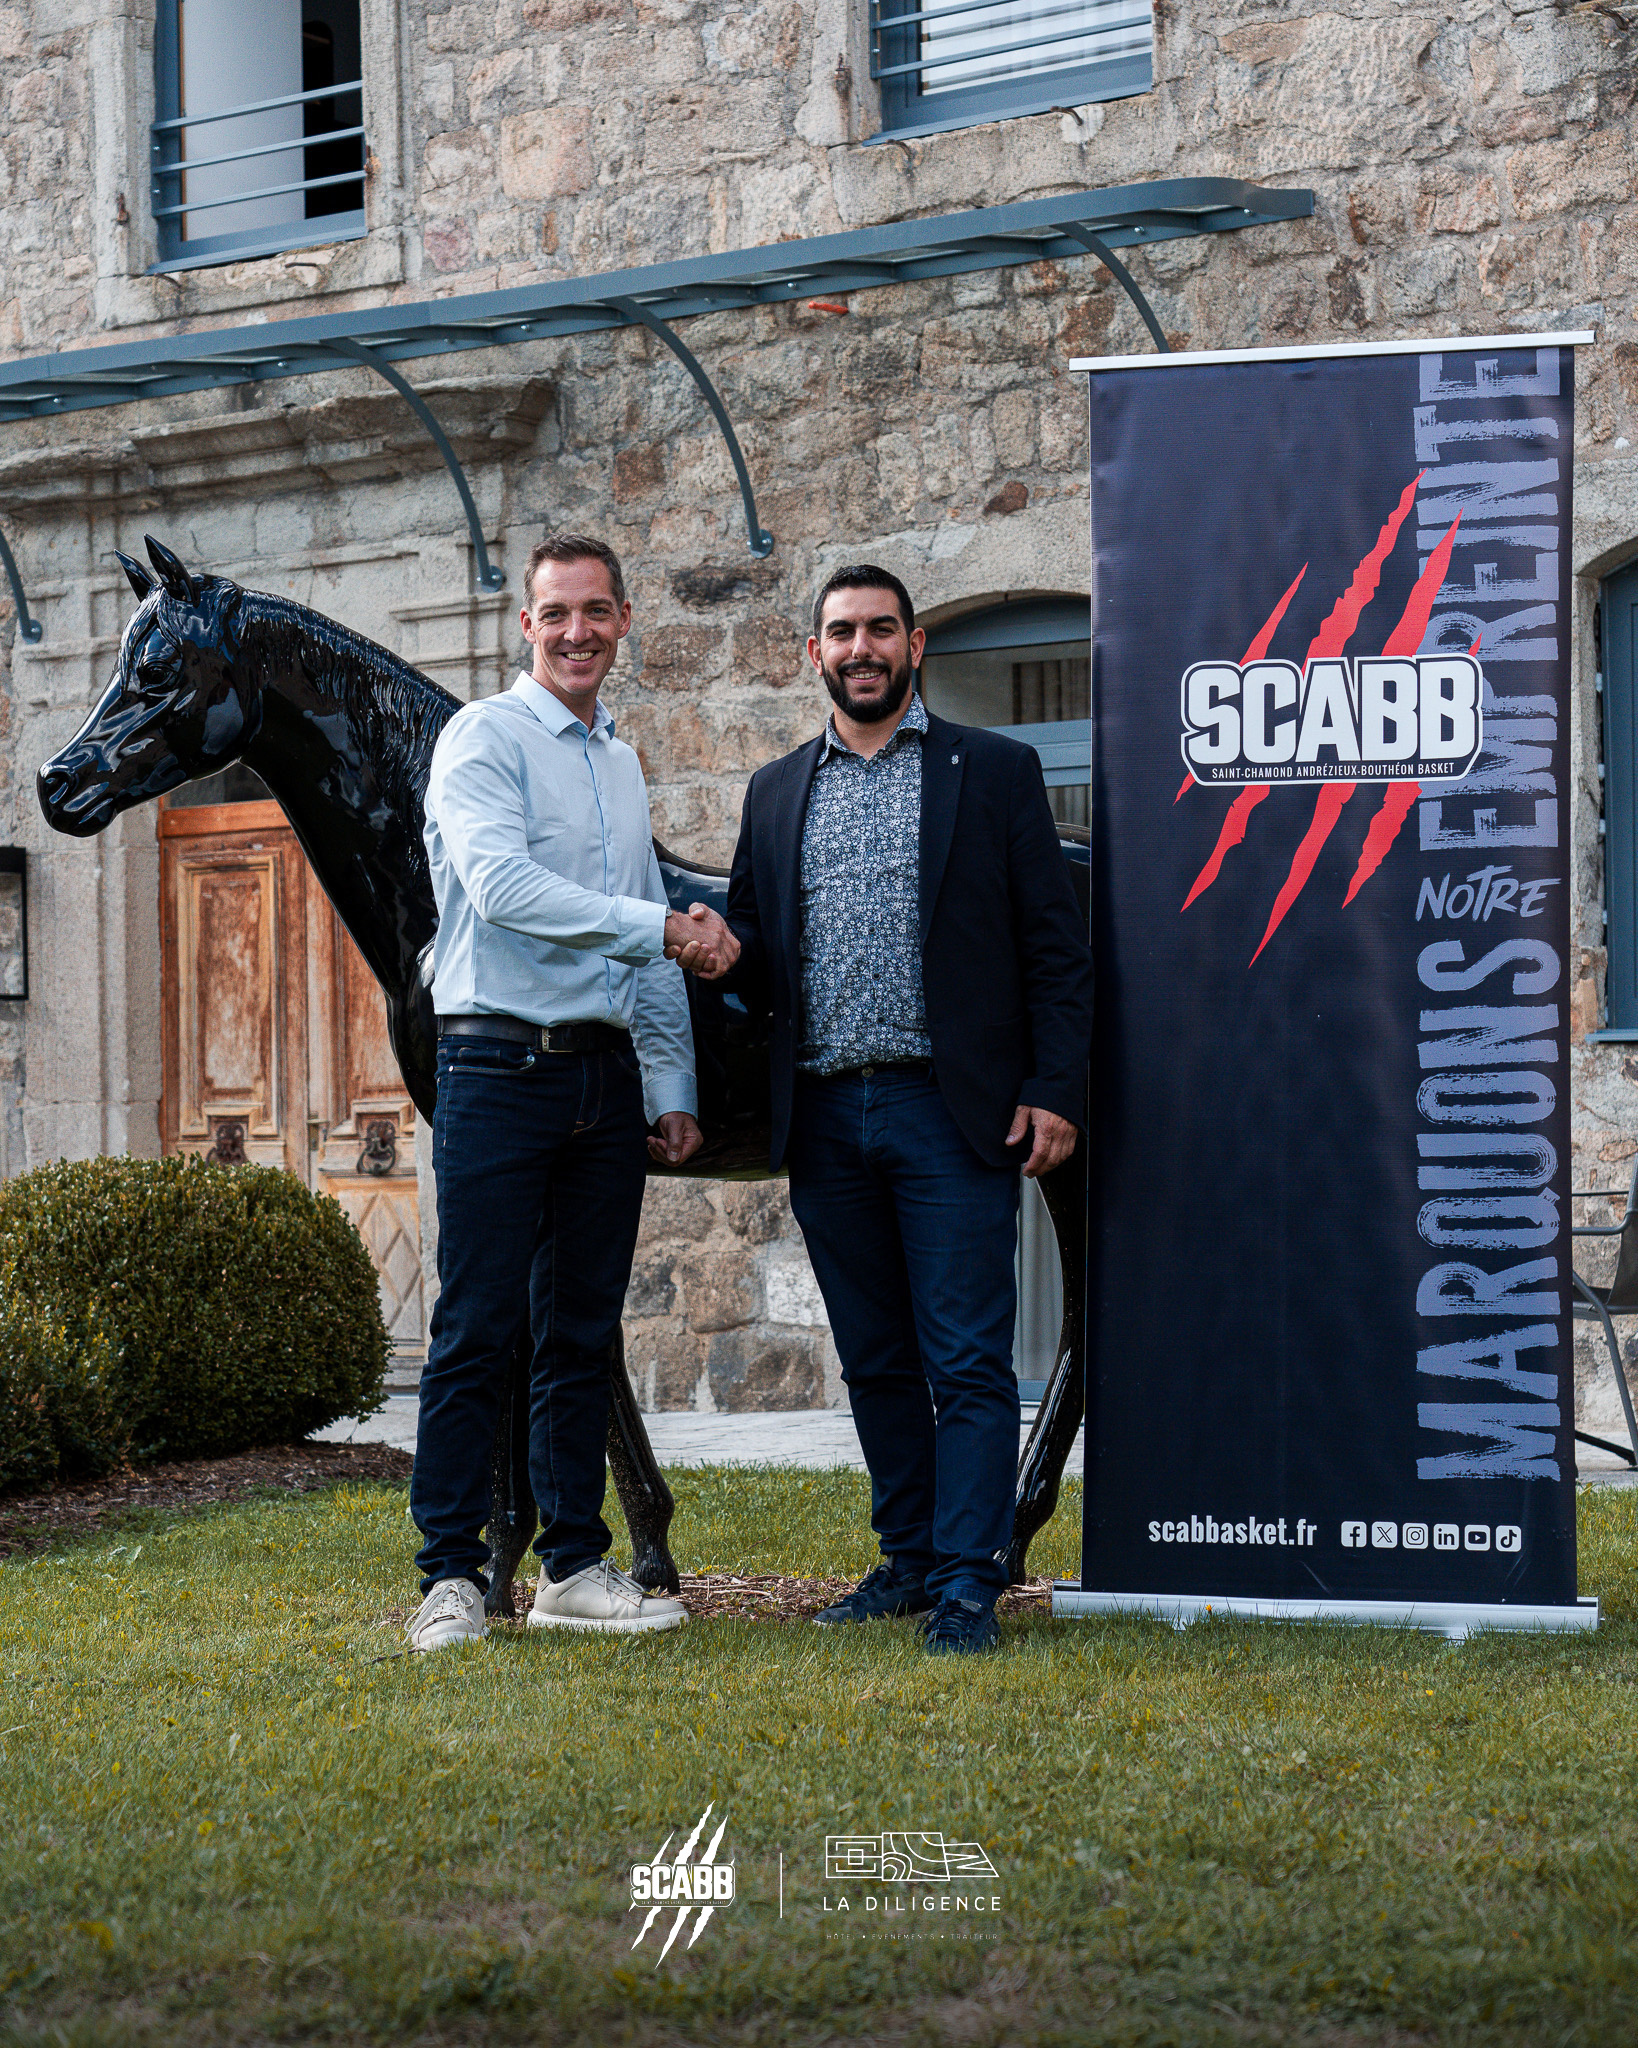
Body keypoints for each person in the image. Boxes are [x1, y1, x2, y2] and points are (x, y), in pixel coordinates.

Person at [715, 565, 1094, 1655]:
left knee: (966, 1358)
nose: (862, 648)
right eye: (842, 632)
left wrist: (1054, 1087)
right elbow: (753, 955)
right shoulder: (775, 790)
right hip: (825, 1114)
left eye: (882, 629)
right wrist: (714, 957)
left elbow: (1054, 950)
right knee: (875, 1357)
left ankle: (970, 1582)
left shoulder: (996, 770)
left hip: (949, 1110)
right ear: (814, 653)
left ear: (915, 645)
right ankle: (912, 1557)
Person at [406, 532, 739, 1652]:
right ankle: (451, 1577)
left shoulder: (620, 763)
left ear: (625, 620)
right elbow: (504, 890)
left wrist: (671, 1081)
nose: (577, 631)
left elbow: (639, 946)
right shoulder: (482, 738)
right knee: (477, 1327)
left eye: (597, 611)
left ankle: (574, 1568)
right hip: (496, 1065)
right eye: (557, 613)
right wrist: (668, 927)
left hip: (602, 1076)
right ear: (527, 625)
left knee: (581, 1332)